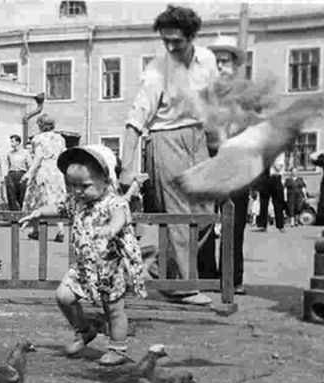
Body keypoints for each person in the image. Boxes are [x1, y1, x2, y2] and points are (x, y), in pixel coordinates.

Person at [119, 4, 218, 306]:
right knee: (179, 216)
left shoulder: (207, 60)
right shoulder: (156, 71)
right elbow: (135, 121)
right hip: (166, 140)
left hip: (199, 138)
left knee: (204, 214)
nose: (171, 46)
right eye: (166, 41)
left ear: (192, 37)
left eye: (177, 40)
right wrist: (126, 168)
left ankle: (158, 265)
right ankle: (181, 287)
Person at [20, 145, 145, 366]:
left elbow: (119, 216)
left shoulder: (114, 202)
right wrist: (39, 213)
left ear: (106, 180)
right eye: (72, 185)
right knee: (63, 297)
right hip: (84, 267)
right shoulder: (76, 201)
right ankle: (85, 329)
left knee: (114, 310)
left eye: (84, 186)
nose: (77, 191)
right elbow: (59, 207)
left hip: (110, 267)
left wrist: (112, 228)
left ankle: (118, 348)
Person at [205, 34, 254, 296]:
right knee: (203, 219)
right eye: (217, 61)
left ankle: (232, 278)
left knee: (233, 223)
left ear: (235, 65)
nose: (222, 66)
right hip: (209, 161)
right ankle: (205, 275)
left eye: (226, 61)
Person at [22, 113, 67, 243]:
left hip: (44, 170)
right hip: (57, 171)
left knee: (37, 199)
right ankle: (60, 231)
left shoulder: (38, 138)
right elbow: (63, 155)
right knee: (57, 200)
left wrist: (30, 172)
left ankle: (35, 230)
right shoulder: (60, 138)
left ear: (41, 125)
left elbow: (38, 157)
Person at [256, 157, 287, 232]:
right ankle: (262, 225)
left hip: (275, 178)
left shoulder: (279, 155)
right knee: (263, 202)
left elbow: (278, 168)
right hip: (265, 178)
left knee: (278, 203)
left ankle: (280, 225)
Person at [3, 134, 30, 211]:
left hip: (22, 174)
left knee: (22, 194)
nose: (11, 143)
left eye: (12, 141)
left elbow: (30, 165)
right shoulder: (9, 154)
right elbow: (7, 165)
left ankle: (22, 212)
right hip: (12, 174)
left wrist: (28, 176)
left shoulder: (25, 153)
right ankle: (13, 214)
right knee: (11, 194)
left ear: (18, 142)